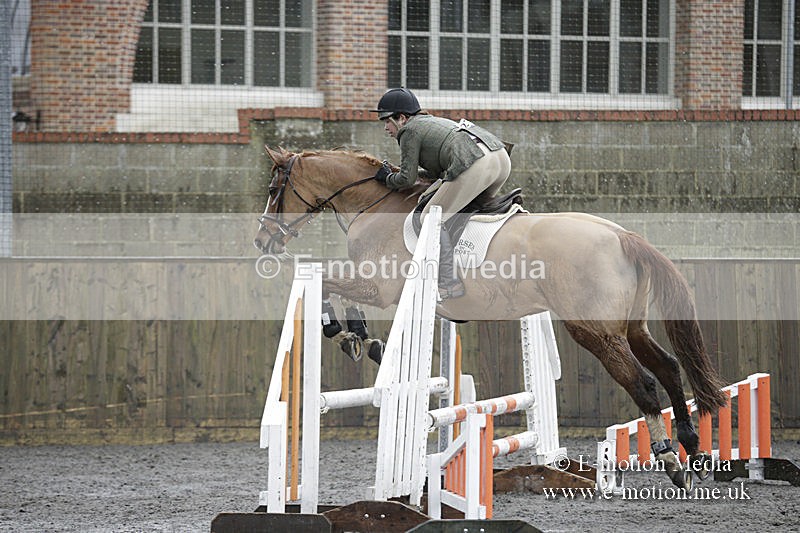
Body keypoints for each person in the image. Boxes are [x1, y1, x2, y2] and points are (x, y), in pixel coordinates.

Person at [370, 87, 511, 300]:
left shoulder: (409, 131)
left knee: (430, 218)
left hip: (475, 163)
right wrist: (402, 173)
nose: (386, 128)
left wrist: (386, 178)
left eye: (387, 121)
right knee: (461, 212)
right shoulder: (431, 123)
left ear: (401, 118)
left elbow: (406, 180)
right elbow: (434, 173)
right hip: (499, 158)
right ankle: (473, 266)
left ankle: (449, 283)